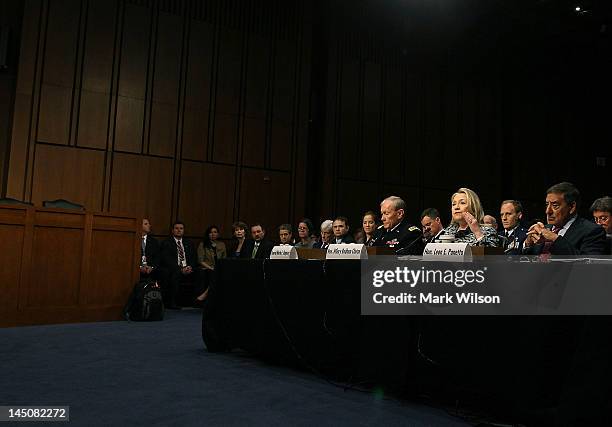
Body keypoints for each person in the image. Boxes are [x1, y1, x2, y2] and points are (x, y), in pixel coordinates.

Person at [523, 182, 607, 256]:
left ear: (572, 207)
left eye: (555, 206)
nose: (547, 211)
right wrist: (528, 243)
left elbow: (588, 264)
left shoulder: (592, 231)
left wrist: (555, 239)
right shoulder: (544, 229)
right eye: (547, 205)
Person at [160, 221, 203, 309]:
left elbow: (194, 258)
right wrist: (180, 269)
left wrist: (189, 267)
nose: (179, 230)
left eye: (181, 228)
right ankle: (172, 302)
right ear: (172, 230)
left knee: (200, 272)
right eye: (176, 228)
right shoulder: (166, 243)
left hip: (188, 268)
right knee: (174, 273)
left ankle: (196, 301)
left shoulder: (189, 243)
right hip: (175, 268)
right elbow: (166, 259)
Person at [196, 225, 227, 304]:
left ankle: (206, 295)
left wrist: (218, 268)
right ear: (207, 234)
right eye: (210, 232)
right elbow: (200, 260)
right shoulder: (202, 244)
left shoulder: (222, 244)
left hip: (219, 268)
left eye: (215, 232)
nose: (213, 234)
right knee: (212, 273)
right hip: (206, 268)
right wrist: (211, 268)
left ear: (218, 234)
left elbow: (224, 259)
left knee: (219, 274)